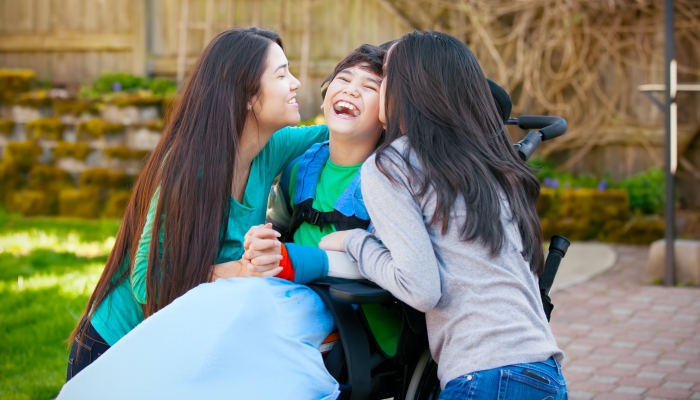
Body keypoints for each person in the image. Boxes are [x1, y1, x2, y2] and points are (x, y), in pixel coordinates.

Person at [66, 27, 331, 381]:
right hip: (115, 349)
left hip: (168, 344)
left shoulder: (271, 148)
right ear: (248, 95)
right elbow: (147, 282)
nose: (296, 82)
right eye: (282, 74)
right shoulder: (191, 168)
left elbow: (342, 132)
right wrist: (236, 270)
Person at [319, 31, 567, 399]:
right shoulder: (486, 164)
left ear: (413, 86)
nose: (381, 85)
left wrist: (355, 240)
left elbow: (420, 289)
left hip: (482, 376)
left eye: (386, 75)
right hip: (543, 372)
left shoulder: (392, 163)